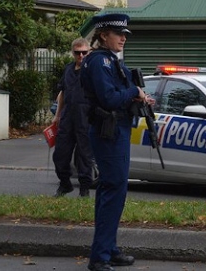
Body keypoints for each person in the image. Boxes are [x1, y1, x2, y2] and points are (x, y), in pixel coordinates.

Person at [81, 13, 153, 271]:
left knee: (111, 192)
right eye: (117, 33)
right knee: (113, 191)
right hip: (108, 131)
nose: (123, 38)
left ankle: (108, 249)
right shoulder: (100, 62)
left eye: (124, 34)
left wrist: (137, 98)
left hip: (115, 130)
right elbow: (109, 98)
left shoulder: (109, 61)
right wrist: (134, 92)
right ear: (103, 35)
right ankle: (100, 256)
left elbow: (115, 95)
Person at [51, 38, 94, 198]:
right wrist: (57, 116)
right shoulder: (68, 69)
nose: (81, 56)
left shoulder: (92, 70)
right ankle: (65, 184)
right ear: (73, 53)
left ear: (89, 52)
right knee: (60, 155)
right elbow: (62, 93)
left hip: (85, 117)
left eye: (84, 52)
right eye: (78, 53)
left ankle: (84, 189)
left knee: (84, 156)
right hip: (68, 117)